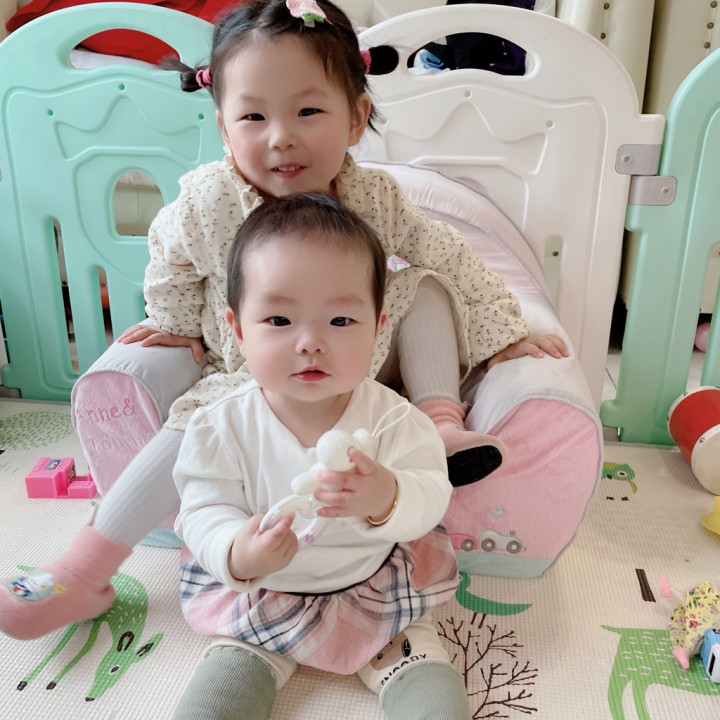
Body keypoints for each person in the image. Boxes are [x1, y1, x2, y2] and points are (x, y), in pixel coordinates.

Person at [0, 0, 567, 641]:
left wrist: (505, 330)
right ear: (224, 126)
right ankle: (83, 570)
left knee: (426, 283)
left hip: (361, 360)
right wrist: (176, 322)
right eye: (253, 117)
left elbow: (450, 254)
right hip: (256, 373)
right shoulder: (209, 201)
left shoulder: (375, 199)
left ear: (356, 118)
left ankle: (442, 424)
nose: (280, 137)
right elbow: (171, 256)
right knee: (189, 426)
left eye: (308, 112)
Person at [172, 192, 468, 719]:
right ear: (238, 331)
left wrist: (388, 496)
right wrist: (236, 552)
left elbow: (431, 492)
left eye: (340, 322)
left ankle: (407, 671)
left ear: (378, 328)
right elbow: (202, 509)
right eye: (279, 320)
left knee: (434, 698)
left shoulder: (393, 419)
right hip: (263, 594)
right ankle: (248, 664)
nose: (310, 342)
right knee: (214, 699)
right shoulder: (220, 426)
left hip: (375, 586)